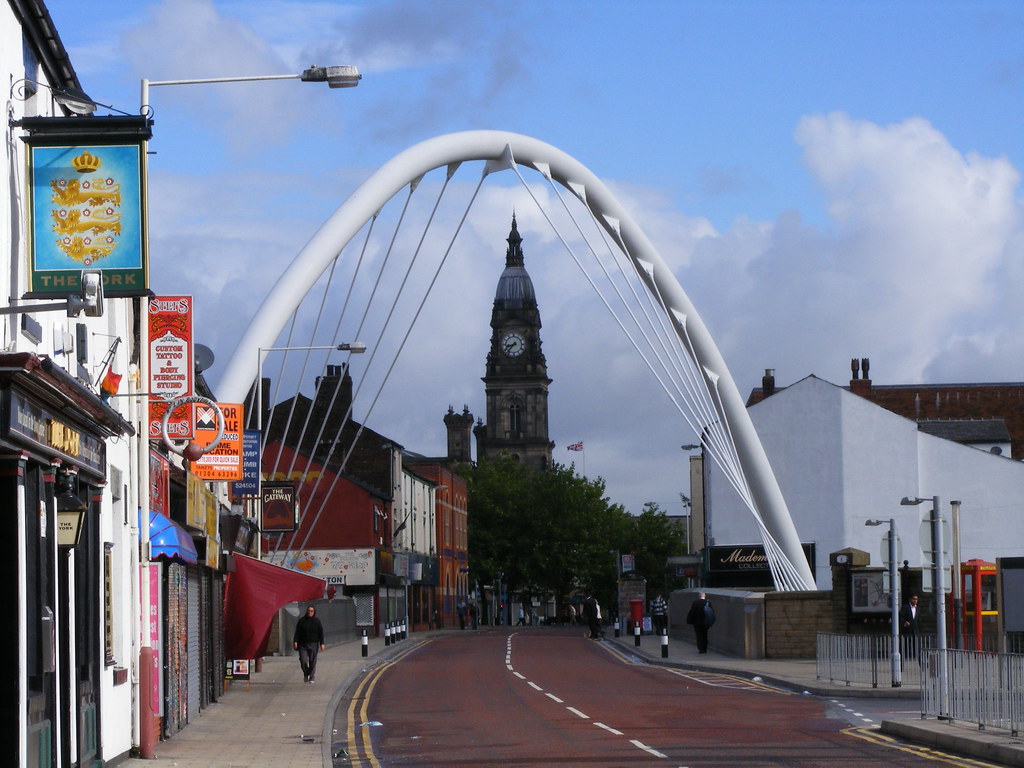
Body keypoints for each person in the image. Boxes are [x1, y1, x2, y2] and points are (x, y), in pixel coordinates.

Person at [293, 604, 325, 683]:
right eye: (308, 611)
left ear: (314, 612)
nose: (310, 612)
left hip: (313, 644)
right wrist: (295, 641)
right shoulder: (302, 621)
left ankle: (311, 676)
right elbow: (297, 632)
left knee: (312, 661)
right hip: (303, 644)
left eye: (311, 611)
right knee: (303, 660)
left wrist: (322, 643)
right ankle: (306, 673)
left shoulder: (317, 621)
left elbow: (321, 633)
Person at [899, 594, 920, 659]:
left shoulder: (918, 608)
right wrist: (905, 622)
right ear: (910, 599)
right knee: (904, 648)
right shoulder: (905, 607)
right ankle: (901, 664)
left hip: (915, 631)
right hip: (906, 632)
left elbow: (918, 619)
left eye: (916, 599)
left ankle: (921, 663)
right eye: (913, 599)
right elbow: (901, 617)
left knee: (917, 647)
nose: (915, 601)